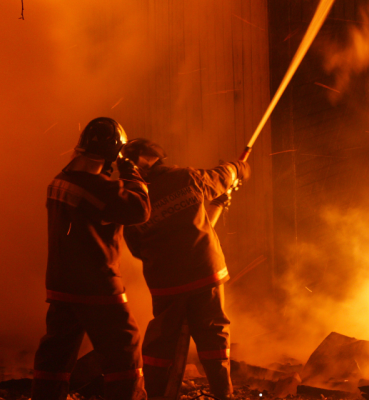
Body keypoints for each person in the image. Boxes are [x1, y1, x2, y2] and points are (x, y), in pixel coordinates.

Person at [32, 117, 151, 400]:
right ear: (112, 155)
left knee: (56, 356)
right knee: (125, 348)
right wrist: (130, 171)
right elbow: (140, 209)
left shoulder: (58, 181)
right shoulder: (98, 188)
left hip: (62, 284)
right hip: (97, 286)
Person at [122, 139, 250, 400]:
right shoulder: (185, 178)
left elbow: (136, 248)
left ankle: (156, 394)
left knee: (161, 344)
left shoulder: (132, 200)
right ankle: (223, 395)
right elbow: (220, 176)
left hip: (166, 283)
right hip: (205, 274)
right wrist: (238, 168)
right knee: (214, 337)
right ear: (157, 158)